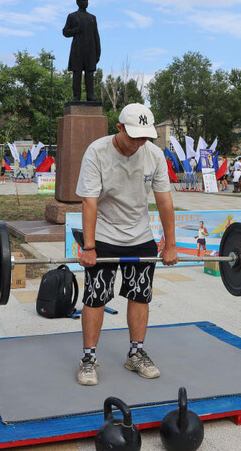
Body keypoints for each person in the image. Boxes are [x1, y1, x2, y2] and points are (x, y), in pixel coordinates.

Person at [75, 103, 178, 386]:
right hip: (104, 235)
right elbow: (89, 201)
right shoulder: (97, 151)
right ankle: (88, 358)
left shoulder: (154, 155)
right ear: (118, 128)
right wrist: (89, 246)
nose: (138, 143)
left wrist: (170, 244)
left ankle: (135, 353)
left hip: (140, 235)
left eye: (144, 137)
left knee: (141, 295)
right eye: (133, 136)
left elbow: (164, 201)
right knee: (95, 297)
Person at [62, 0, 101, 101]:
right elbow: (65, 32)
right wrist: (74, 30)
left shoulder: (92, 18)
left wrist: (98, 52)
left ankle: (90, 95)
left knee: (90, 73)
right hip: (77, 51)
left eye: (87, 0)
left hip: (90, 51)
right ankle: (77, 96)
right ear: (78, 2)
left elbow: (96, 36)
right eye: (83, 0)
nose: (85, 2)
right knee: (77, 73)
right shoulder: (72, 16)